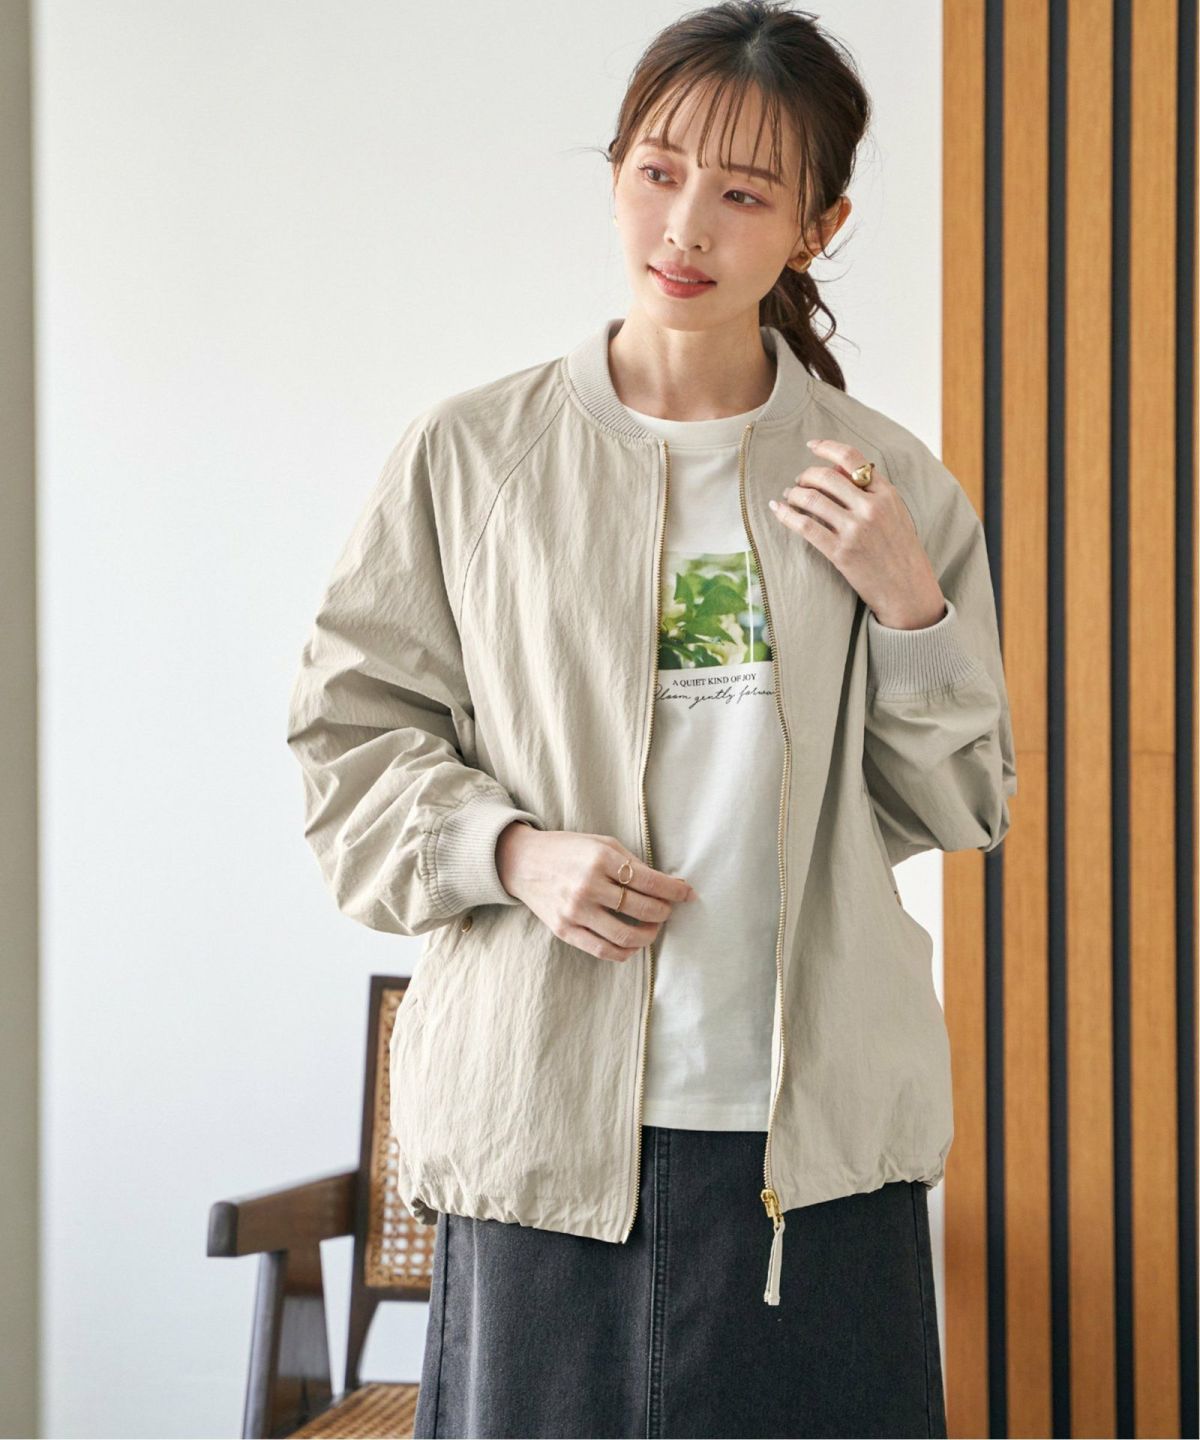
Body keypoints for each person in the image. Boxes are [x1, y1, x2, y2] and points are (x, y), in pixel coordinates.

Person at [285, 3, 1017, 1435]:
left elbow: (959, 800)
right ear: (616, 173)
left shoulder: (888, 484)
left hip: (813, 1146)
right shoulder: (471, 457)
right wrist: (511, 852)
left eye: (743, 194)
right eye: (658, 172)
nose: (685, 226)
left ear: (817, 226)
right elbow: (347, 744)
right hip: (542, 1124)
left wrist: (911, 609)